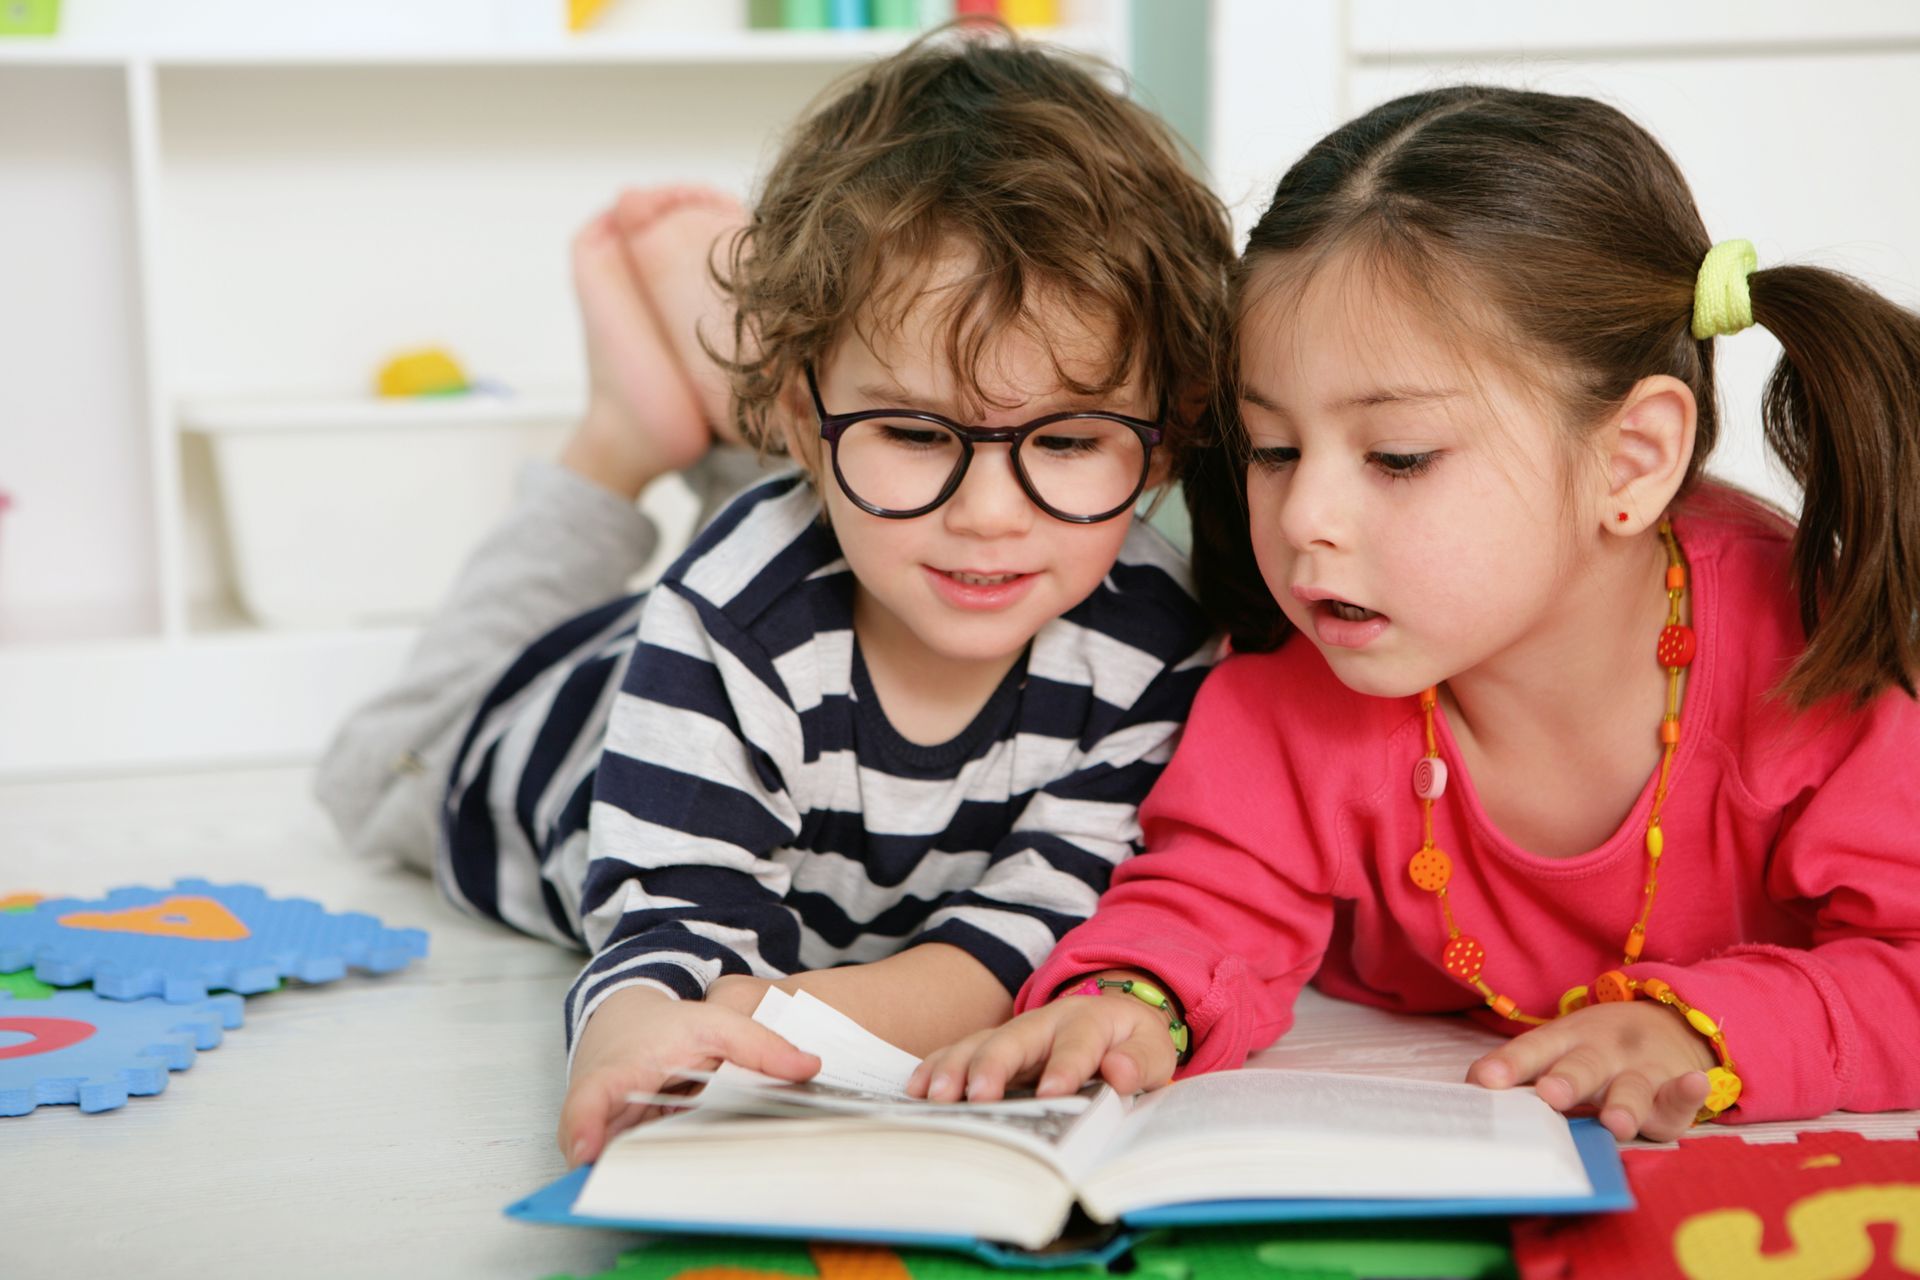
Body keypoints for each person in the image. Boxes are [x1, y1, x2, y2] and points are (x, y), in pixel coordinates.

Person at [910, 84, 1920, 1142]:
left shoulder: (1811, 652)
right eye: (1273, 448)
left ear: (1633, 457)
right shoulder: (1312, 673)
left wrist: (1711, 1033)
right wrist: (1132, 1001)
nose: (1305, 516)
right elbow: (1209, 897)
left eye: (1398, 456)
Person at [316, 28, 1232, 1165]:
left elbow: (1035, 925)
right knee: (371, 768)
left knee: (872, 515)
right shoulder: (725, 616)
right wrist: (644, 1023)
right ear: (807, 414)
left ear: (1161, 444)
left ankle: (725, 395)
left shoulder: (1157, 641)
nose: (994, 512)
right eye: (909, 425)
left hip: (825, 595)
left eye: (1068, 436)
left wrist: (777, 1016)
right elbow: (669, 935)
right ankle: (620, 440)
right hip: (555, 737)